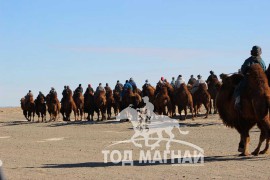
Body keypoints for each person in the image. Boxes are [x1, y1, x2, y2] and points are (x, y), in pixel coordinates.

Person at [234, 45, 266, 111]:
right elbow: (264, 70)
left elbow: (243, 70)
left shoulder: (248, 60)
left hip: (249, 79)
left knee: (238, 88)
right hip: (261, 81)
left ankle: (238, 102)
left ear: (252, 52)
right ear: (260, 52)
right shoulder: (262, 62)